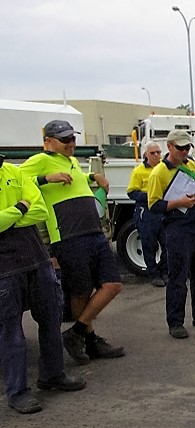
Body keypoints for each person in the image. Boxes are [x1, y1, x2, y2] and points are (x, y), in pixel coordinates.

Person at [20, 120, 124, 363]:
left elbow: (77, 181)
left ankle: (76, 333)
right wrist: (46, 178)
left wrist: (93, 175)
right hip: (68, 235)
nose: (71, 143)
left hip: (93, 231)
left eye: (73, 139)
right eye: (65, 140)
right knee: (80, 291)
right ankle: (89, 340)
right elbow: (15, 181)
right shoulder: (40, 160)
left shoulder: (73, 161)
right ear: (48, 142)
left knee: (113, 284)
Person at [1, 160, 86, 414]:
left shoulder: (14, 171)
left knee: (51, 317)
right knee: (10, 331)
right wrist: (20, 206)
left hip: (37, 259)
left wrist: (11, 215)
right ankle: (17, 392)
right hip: (5, 269)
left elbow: (40, 210)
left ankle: (52, 374)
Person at [146, 129, 195, 339]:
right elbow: (153, 205)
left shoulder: (191, 165)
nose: (185, 151)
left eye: (187, 147)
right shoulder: (159, 172)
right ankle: (175, 321)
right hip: (177, 226)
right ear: (169, 147)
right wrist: (179, 203)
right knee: (178, 276)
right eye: (181, 148)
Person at [126, 141, 167, 287]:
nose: (156, 155)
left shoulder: (164, 168)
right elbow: (131, 192)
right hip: (146, 211)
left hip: (163, 209)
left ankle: (163, 271)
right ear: (146, 154)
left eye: (158, 152)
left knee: (168, 244)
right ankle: (154, 274)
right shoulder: (139, 171)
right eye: (153, 153)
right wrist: (151, 196)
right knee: (149, 245)